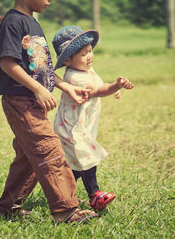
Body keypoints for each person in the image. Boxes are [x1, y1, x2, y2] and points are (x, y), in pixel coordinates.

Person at [0, 0, 98, 224]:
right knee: (48, 148)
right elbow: (8, 63)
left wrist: (66, 87)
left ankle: (9, 206)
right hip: (20, 99)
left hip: (32, 100)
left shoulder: (33, 23)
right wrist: (37, 90)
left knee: (29, 157)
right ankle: (66, 210)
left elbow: (42, 69)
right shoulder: (13, 22)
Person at [52, 25, 134, 211]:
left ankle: (62, 193)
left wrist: (113, 89)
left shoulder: (87, 70)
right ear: (67, 60)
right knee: (88, 158)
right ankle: (95, 195)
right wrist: (114, 87)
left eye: (89, 51)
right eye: (83, 54)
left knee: (78, 165)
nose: (89, 56)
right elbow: (98, 90)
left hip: (81, 127)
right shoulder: (74, 77)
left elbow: (99, 84)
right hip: (71, 129)